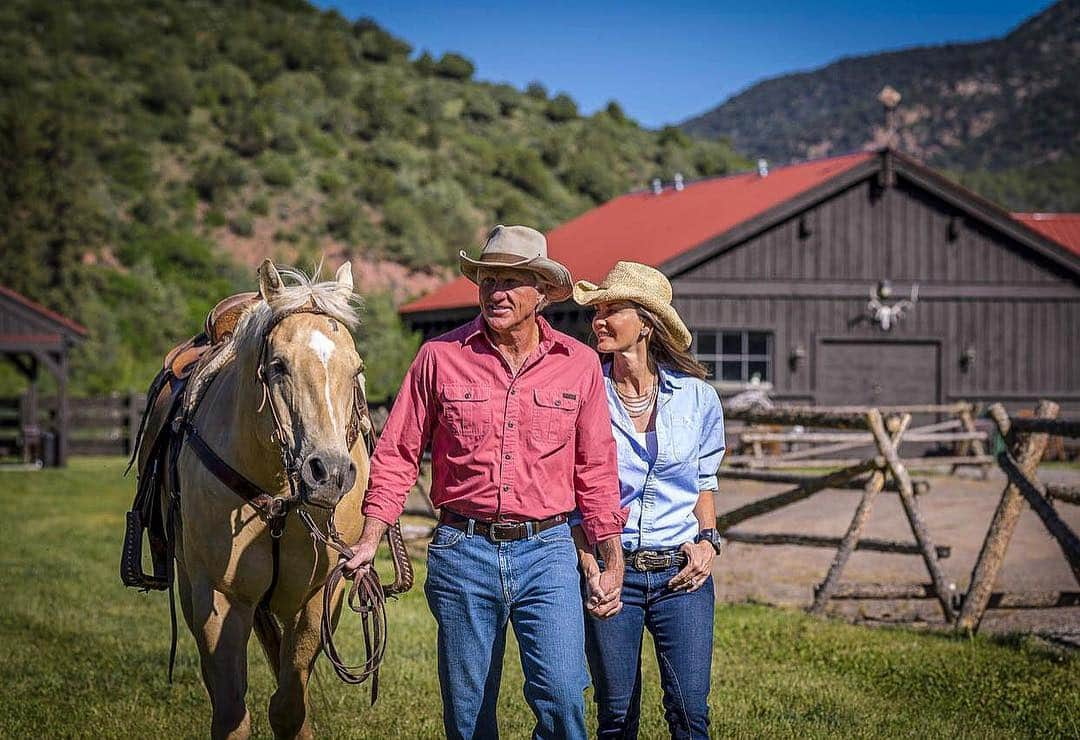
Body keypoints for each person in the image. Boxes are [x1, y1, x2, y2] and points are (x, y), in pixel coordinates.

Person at [344, 225, 628, 740]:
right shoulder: (438, 357)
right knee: (470, 710)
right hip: (462, 550)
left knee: (564, 695)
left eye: (512, 281)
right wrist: (369, 538)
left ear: (542, 293)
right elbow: (397, 453)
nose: (497, 292)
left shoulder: (580, 365)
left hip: (548, 552)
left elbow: (596, 467)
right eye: (489, 280)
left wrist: (610, 553)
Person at [571, 261, 726, 740]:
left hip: (682, 573)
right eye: (596, 309)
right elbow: (570, 490)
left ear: (646, 323)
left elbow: (704, 479)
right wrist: (590, 565)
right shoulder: (583, 391)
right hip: (612, 570)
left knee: (689, 713)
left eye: (612, 309)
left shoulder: (698, 399)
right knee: (616, 717)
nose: (598, 318)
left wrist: (708, 541)